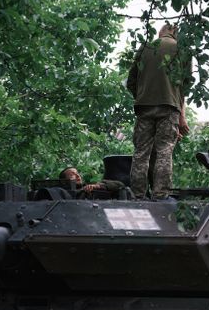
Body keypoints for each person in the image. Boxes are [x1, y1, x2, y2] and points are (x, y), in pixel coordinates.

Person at [126, 23, 190, 199]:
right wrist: (181, 115)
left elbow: (131, 80)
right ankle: (160, 195)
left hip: (144, 107)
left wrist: (142, 96)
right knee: (164, 151)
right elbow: (185, 85)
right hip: (169, 108)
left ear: (162, 31)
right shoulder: (181, 49)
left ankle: (137, 195)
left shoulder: (145, 46)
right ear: (175, 34)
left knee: (140, 153)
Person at [58, 167, 123, 197]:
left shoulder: (90, 186)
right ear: (64, 181)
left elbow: (120, 185)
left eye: (77, 173)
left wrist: (97, 186)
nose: (77, 175)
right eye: (72, 174)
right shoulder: (60, 193)